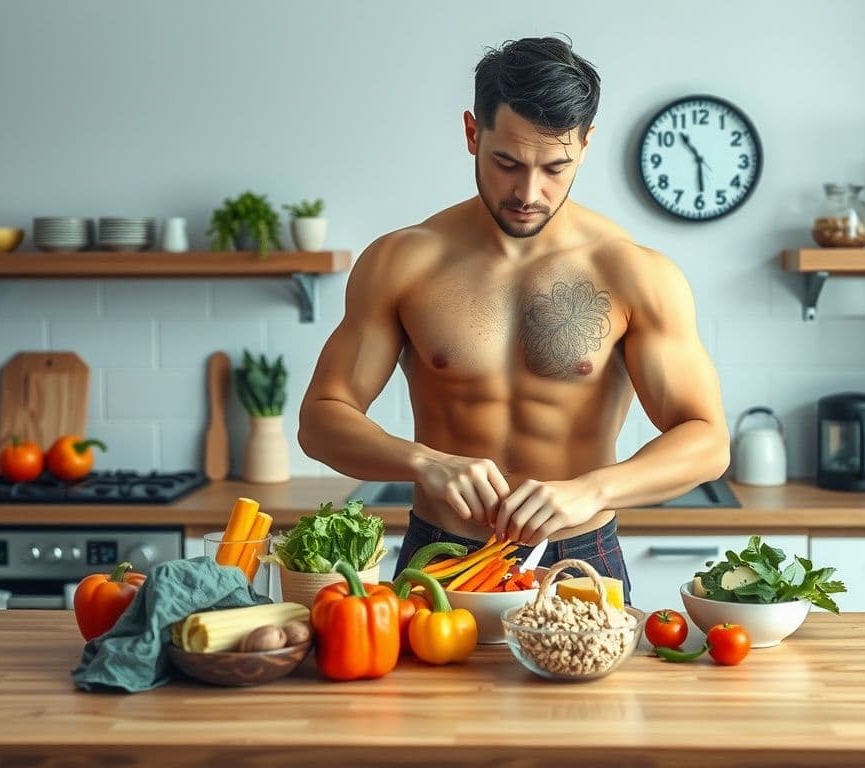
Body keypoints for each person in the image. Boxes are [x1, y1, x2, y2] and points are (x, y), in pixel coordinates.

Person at [298, 36, 729, 603]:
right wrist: (423, 463)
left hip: (578, 557)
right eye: (507, 163)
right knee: (419, 699)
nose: (529, 192)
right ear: (473, 134)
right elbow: (321, 420)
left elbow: (707, 440)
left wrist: (593, 489)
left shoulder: (631, 272)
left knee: (590, 699)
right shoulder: (404, 262)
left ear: (586, 144)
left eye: (556, 167)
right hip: (441, 554)